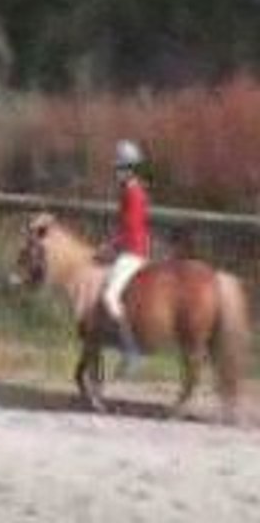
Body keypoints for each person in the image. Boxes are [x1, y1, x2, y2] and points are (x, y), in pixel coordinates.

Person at [101, 139, 151, 375]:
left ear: (128, 168)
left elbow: (129, 227)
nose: (116, 172)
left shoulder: (132, 192)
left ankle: (132, 352)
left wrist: (110, 247)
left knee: (110, 297)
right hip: (131, 249)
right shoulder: (133, 190)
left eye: (119, 168)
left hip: (132, 252)